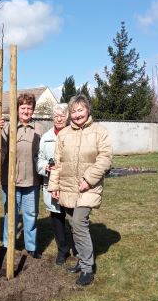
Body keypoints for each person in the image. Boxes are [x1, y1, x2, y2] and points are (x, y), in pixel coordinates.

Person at [48, 94, 112, 286]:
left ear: (88, 110)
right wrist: (54, 185)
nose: (77, 114)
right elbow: (57, 162)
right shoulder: (64, 134)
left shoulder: (100, 131)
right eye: (74, 111)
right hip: (67, 187)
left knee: (79, 222)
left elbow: (106, 158)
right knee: (72, 223)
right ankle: (81, 259)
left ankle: (87, 268)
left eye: (80, 110)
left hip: (87, 188)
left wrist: (89, 179)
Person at [1, 93, 44, 258]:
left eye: (29, 108)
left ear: (33, 110)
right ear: (17, 109)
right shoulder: (8, 128)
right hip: (10, 180)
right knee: (10, 214)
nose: (26, 111)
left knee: (31, 214)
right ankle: (8, 244)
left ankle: (31, 247)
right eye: (23, 107)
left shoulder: (39, 129)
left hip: (32, 180)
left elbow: (43, 154)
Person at [37, 102, 75, 266]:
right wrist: (45, 167)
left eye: (62, 115)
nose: (59, 118)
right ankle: (62, 249)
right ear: (53, 117)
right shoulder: (46, 138)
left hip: (70, 184)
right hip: (51, 185)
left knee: (74, 217)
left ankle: (78, 248)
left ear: (67, 117)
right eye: (56, 116)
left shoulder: (74, 135)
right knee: (57, 217)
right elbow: (39, 159)